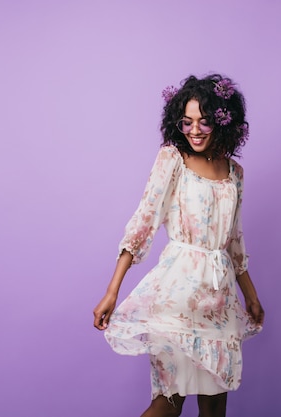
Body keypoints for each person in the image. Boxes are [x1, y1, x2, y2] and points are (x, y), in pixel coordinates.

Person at [93, 74, 264, 417]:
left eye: (204, 122)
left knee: (215, 408)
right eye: (187, 122)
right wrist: (113, 290)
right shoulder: (173, 159)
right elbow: (143, 222)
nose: (195, 130)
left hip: (219, 304)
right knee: (168, 404)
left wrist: (252, 295)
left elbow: (234, 243)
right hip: (179, 298)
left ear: (223, 121)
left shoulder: (235, 174)